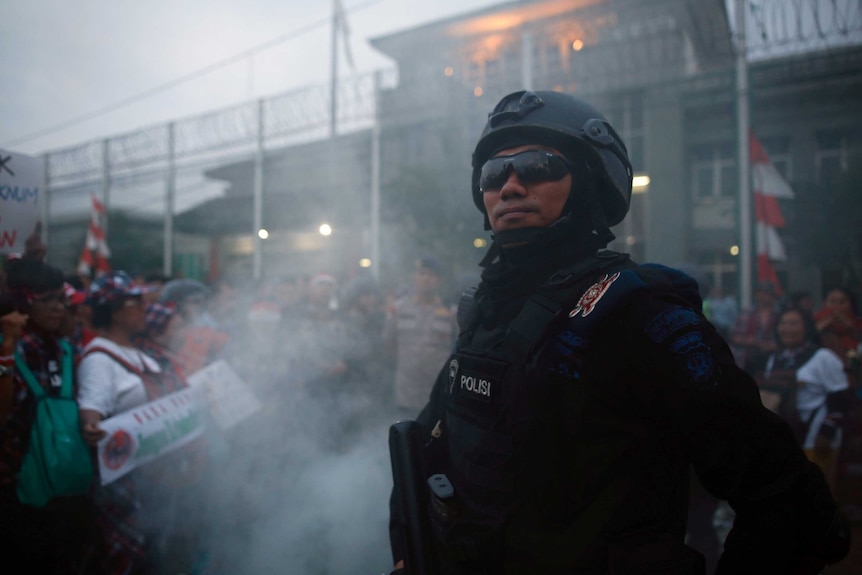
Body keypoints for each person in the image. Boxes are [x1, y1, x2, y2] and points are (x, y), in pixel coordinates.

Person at [388, 90, 850, 574]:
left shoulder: (636, 312)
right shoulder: (487, 311)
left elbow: (795, 508)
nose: (510, 186)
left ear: (591, 180)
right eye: (493, 174)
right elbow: (426, 446)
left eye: (538, 166)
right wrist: (410, 547)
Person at [77, 272, 191, 575]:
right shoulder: (99, 358)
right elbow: (91, 409)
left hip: (158, 479)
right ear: (114, 311)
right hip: (127, 487)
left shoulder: (141, 353)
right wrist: (91, 425)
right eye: (135, 303)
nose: (145, 308)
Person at [1, 257, 100, 574]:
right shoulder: (9, 351)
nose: (60, 308)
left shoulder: (67, 350)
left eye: (62, 299)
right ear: (21, 303)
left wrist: (91, 426)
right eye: (48, 300)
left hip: (67, 494)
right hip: (15, 496)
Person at [384, 256, 455, 420]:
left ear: (439, 280)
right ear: (414, 278)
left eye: (432, 275)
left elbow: (456, 346)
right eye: (422, 274)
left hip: (437, 390)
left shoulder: (449, 311)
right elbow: (389, 342)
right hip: (407, 391)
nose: (426, 279)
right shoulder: (398, 308)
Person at [729, 280, 779, 373]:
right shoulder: (747, 313)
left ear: (772, 295)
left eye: (766, 293)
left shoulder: (779, 315)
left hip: (773, 361)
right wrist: (750, 341)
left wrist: (771, 346)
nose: (762, 296)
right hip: (747, 360)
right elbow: (734, 337)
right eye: (760, 293)